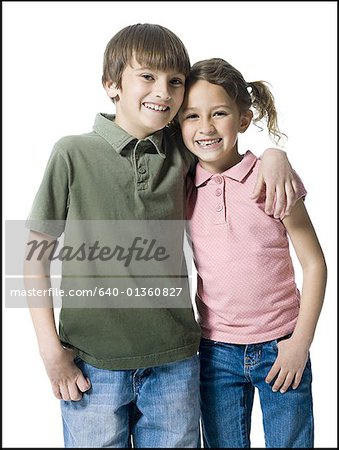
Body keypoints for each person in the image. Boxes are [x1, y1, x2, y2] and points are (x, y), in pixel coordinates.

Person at [24, 24, 299, 449]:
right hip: (92, 364)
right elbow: (33, 254)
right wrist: (49, 350)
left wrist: (275, 155)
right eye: (147, 77)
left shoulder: (180, 148)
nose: (164, 91)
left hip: (176, 361)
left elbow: (223, 145)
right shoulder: (71, 153)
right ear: (112, 84)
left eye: (175, 81)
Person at [179, 58, 327, 448]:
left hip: (281, 347)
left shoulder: (270, 178)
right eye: (191, 116)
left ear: (243, 119)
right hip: (214, 353)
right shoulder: (181, 187)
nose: (206, 127)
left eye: (220, 113)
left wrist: (301, 343)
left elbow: (314, 263)